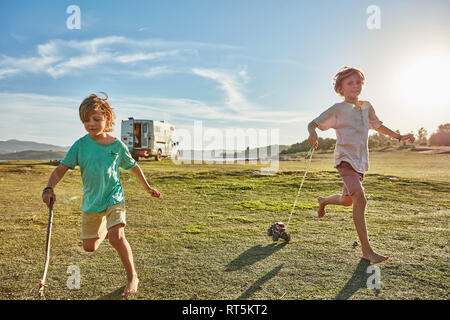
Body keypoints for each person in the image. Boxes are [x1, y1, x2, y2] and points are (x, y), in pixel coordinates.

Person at [42, 93, 161, 296]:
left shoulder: (116, 145)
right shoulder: (80, 145)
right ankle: (106, 228)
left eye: (96, 119)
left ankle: (132, 276)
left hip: (114, 197)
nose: (91, 124)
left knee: (117, 237)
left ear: (107, 117)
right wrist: (48, 188)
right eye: (86, 120)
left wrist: (147, 187)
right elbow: (60, 169)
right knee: (89, 247)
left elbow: (133, 167)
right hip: (91, 201)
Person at [307, 66, 414, 264]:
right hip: (345, 160)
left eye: (358, 82)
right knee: (360, 199)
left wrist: (399, 136)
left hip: (360, 163)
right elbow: (313, 123)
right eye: (350, 83)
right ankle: (367, 251)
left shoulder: (366, 107)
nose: (355, 85)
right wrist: (313, 133)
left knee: (347, 201)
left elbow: (378, 125)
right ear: (341, 88)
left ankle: (323, 201)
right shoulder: (337, 109)